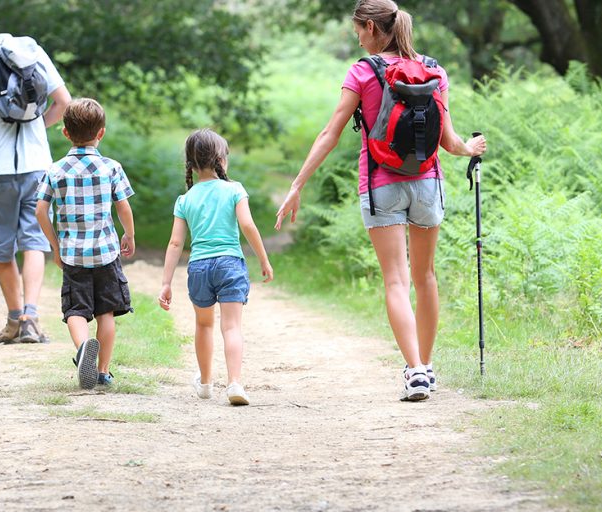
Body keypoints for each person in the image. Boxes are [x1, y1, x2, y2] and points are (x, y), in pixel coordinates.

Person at [274, 0, 487, 402]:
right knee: (426, 278)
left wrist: (297, 184)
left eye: (357, 29)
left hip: (380, 185)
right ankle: (425, 365)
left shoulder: (362, 71)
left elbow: (330, 133)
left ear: (371, 27)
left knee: (396, 279)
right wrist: (471, 148)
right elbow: (449, 141)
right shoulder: (435, 70)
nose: (356, 37)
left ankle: (416, 371)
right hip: (428, 184)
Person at [0, 6, 72, 345]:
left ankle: (12, 321)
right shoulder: (30, 49)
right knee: (34, 241)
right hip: (38, 165)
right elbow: (64, 101)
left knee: (2, 248)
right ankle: (31, 319)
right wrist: (37, 126)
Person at [159, 129, 274, 406]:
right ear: (221, 160)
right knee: (231, 326)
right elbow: (247, 225)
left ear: (191, 164)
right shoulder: (234, 189)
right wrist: (263, 258)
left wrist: (166, 282)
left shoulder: (185, 199)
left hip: (199, 267)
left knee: (203, 324)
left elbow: (176, 243)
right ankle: (234, 382)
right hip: (230, 264)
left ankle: (206, 383)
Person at [36, 98, 136, 390]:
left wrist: (55, 246)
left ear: (65, 133)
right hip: (105, 252)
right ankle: (102, 371)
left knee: (76, 311)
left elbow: (40, 211)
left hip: (72, 255)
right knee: (106, 312)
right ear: (101, 133)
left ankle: (83, 350)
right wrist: (128, 234)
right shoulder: (111, 167)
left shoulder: (55, 170)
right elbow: (123, 207)